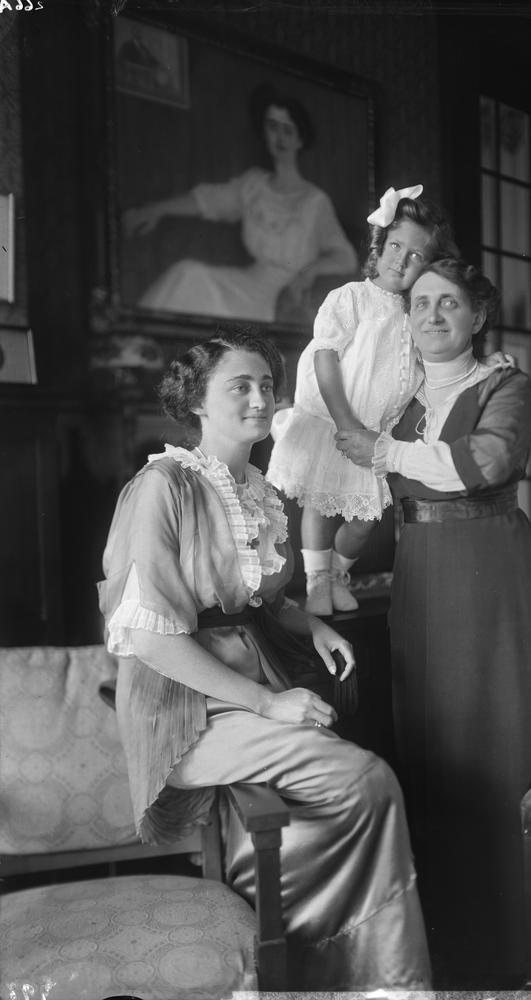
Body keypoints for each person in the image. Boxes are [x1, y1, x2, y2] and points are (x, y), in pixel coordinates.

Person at [97, 325, 431, 992]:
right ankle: (319, 963)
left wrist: (313, 624)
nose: (259, 399)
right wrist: (268, 703)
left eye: (266, 385)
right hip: (185, 705)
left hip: (254, 682)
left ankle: (313, 965)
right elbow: (152, 638)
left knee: (343, 793)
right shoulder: (163, 486)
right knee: (365, 781)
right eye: (239, 386)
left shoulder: (255, 488)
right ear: (198, 400)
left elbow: (258, 601)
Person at [336, 258, 531, 990]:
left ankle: (512, 946)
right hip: (421, 579)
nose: (433, 314)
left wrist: (383, 451)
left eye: (449, 302)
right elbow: (371, 497)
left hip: (493, 575)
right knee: (433, 745)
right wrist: (327, 566)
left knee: (500, 740)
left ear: (478, 315)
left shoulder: (505, 385)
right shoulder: (399, 402)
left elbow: (487, 461)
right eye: (420, 303)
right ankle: (441, 946)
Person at [265, 183, 459, 616]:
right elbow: (324, 357)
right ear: (380, 246)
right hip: (336, 421)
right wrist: (344, 420)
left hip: (375, 434)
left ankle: (337, 572)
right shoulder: (352, 298)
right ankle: (317, 581)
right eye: (395, 246)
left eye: (415, 256)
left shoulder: (416, 315)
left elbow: (421, 371)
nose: (400, 260)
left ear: (428, 267)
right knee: (320, 504)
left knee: (365, 520)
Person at [122, 85, 357, 323]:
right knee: (187, 273)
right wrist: (156, 210)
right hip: (246, 283)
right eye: (272, 127)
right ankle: (135, 338)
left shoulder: (315, 201)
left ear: (300, 139)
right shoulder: (253, 184)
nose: (280, 137)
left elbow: (346, 258)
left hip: (278, 299)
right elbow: (209, 200)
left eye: (288, 130)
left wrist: (309, 272)